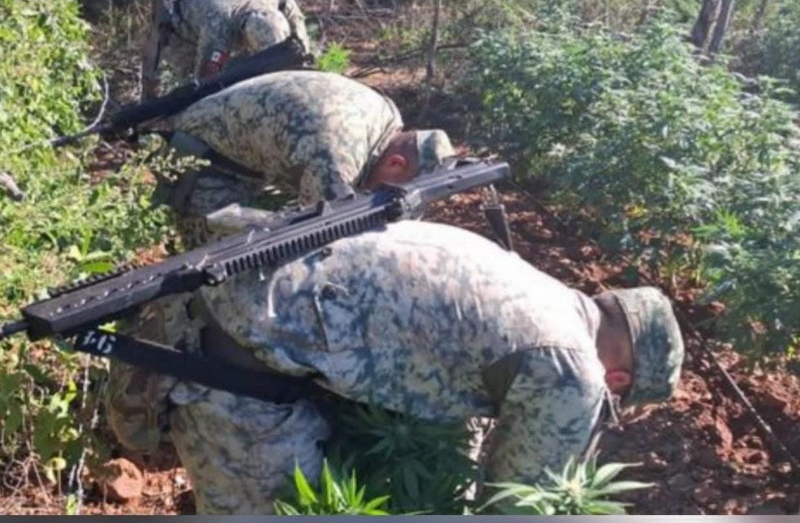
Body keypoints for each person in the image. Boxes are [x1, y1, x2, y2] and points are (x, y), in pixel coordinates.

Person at [108, 218, 685, 514]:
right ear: (619, 380)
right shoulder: (572, 369)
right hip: (236, 362)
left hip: (237, 305)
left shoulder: (536, 291)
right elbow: (513, 508)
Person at [154, 69, 456, 245]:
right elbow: (320, 238)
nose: (384, 200)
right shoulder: (337, 158)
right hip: (201, 154)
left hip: (250, 153)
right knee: (215, 260)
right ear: (396, 163)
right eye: (391, 193)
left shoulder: (387, 119)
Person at [165, 0, 312, 80]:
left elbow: (301, 47)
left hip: (230, 4)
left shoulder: (282, 1)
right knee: (190, 79)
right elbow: (205, 79)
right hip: (180, 28)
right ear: (245, 33)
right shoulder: (219, 30)